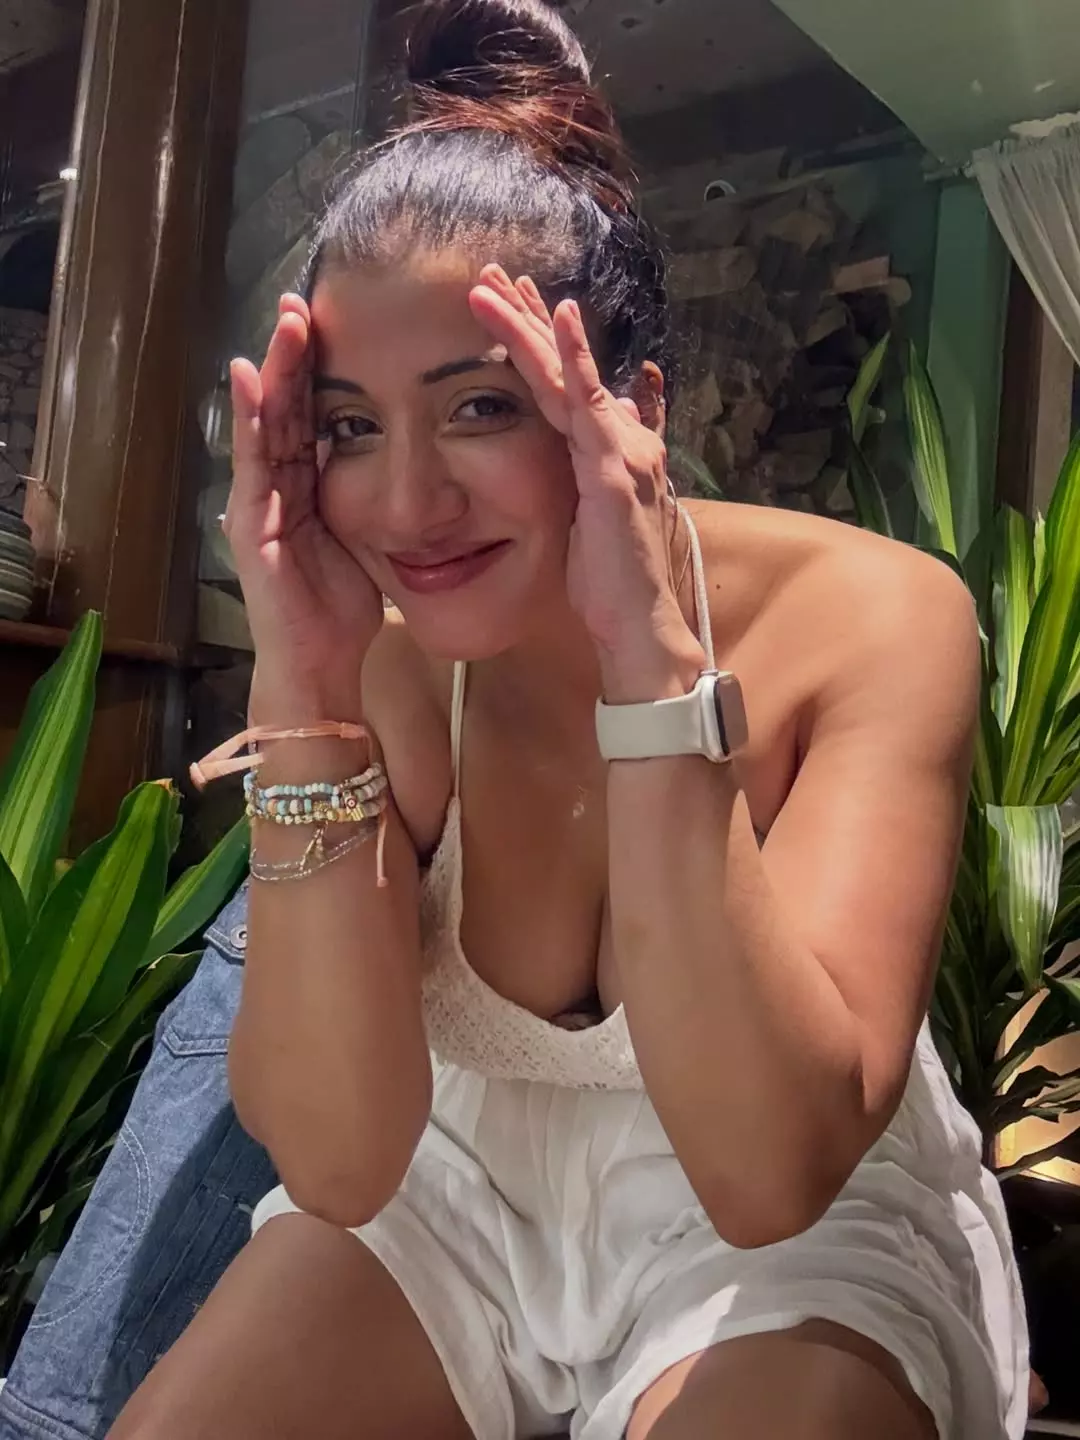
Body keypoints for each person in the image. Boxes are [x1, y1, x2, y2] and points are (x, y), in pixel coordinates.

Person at [96, 1, 1026, 1435]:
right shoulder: (386, 667)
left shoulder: (870, 619)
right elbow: (339, 1166)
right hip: (456, 1197)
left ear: (630, 406)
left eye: (480, 407)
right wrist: (307, 684)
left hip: (788, 1236)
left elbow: (768, 1176)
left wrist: (650, 664)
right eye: (349, 427)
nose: (407, 506)